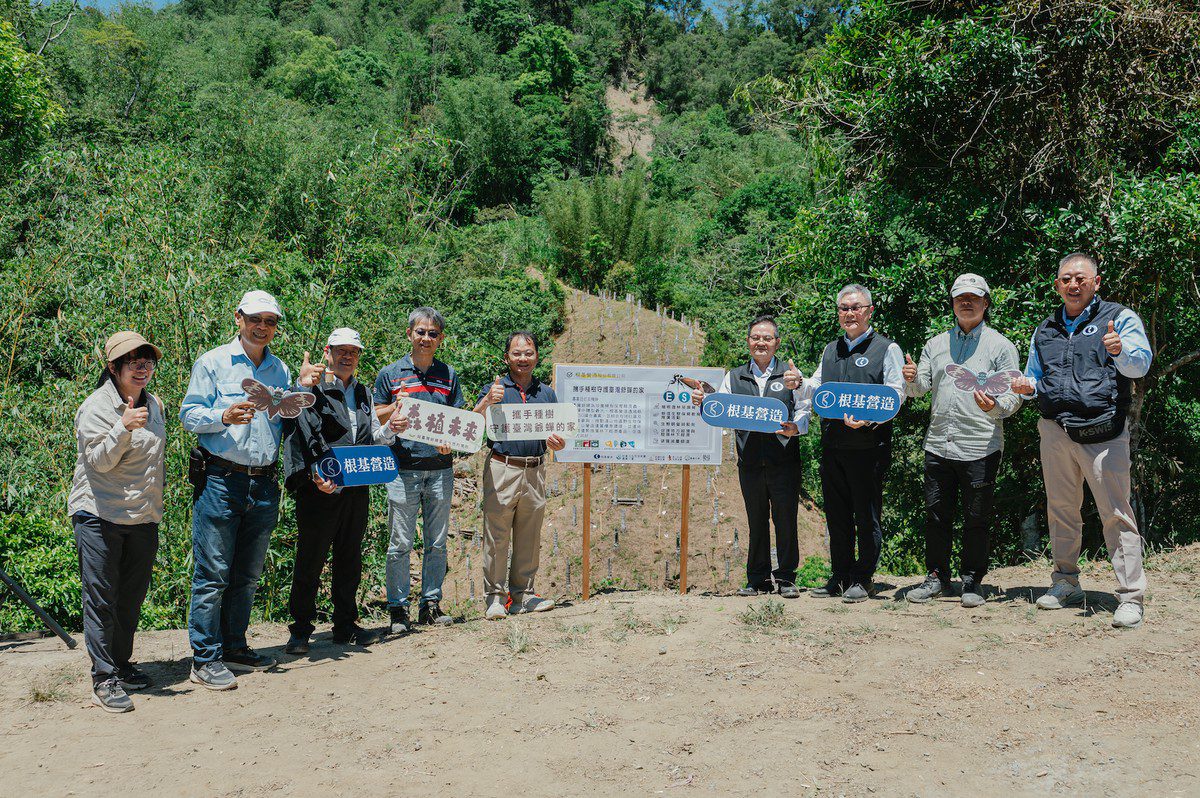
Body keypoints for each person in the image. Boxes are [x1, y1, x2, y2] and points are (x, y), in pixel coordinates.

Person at [181, 290, 323, 690]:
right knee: (213, 573)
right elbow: (189, 414)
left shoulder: (279, 371)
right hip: (221, 479)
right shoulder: (212, 362)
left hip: (264, 481)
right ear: (239, 318)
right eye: (256, 319)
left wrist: (302, 386)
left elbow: (286, 416)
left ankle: (234, 646)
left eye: (271, 321)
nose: (263, 327)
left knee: (246, 574)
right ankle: (204, 658)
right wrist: (221, 415)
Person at [1012, 253, 1152, 629]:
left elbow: (1140, 366)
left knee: (1116, 514)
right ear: (1057, 285)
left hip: (1103, 432)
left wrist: (1120, 350)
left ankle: (1131, 596)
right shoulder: (1045, 328)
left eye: (1081, 278)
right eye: (1066, 279)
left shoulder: (1118, 318)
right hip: (1055, 430)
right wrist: (1026, 388)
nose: (1073, 285)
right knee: (1061, 509)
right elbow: (1034, 378)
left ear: (1096, 282)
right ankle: (1066, 582)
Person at [281, 328, 409, 654]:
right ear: (328, 352)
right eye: (341, 350)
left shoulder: (363, 394)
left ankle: (345, 626)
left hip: (355, 488)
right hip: (319, 489)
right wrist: (312, 476)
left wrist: (389, 430)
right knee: (310, 559)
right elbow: (298, 431)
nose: (347, 356)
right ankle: (300, 631)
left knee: (349, 559)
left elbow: (367, 444)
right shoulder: (313, 388)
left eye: (353, 351)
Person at [902, 274, 1021, 607]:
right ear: (952, 303)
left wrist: (996, 407)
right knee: (936, 515)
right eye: (959, 298)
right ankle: (937, 578)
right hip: (939, 443)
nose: (966, 303)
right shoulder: (935, 344)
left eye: (973, 298)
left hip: (980, 445)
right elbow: (918, 389)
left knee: (976, 517)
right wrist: (909, 379)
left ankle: (971, 581)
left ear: (985, 303)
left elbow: (1014, 394)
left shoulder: (1001, 346)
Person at [68, 332, 165, 713]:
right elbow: (99, 462)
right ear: (113, 367)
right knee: (102, 599)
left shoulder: (154, 404)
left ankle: (121, 666)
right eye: (133, 363)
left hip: (142, 515)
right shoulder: (96, 406)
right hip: (99, 514)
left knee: (130, 598)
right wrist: (122, 428)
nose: (142, 369)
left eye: (147, 363)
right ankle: (103, 677)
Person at [797, 284, 905, 603]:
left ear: (870, 311)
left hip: (869, 447)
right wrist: (798, 383)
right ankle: (840, 576)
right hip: (833, 446)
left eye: (856, 307)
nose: (849, 313)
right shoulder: (831, 350)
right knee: (837, 515)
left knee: (866, 514)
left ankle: (863, 578)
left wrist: (870, 419)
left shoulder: (887, 349)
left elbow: (896, 394)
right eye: (844, 308)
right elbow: (816, 386)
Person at [691, 315, 804, 598]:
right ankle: (758, 579)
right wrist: (703, 402)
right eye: (756, 337)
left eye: (767, 338)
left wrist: (796, 428)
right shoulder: (735, 376)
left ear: (777, 343)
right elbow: (721, 407)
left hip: (784, 460)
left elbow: (805, 409)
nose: (761, 343)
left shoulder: (790, 376)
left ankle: (787, 579)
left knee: (786, 519)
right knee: (756, 520)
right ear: (748, 342)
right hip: (750, 460)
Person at [373, 307, 463, 634]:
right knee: (400, 543)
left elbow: (457, 420)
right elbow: (374, 414)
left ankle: (431, 604)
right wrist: (394, 409)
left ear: (440, 338)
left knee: (437, 541)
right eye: (421, 332)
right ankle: (398, 609)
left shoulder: (449, 375)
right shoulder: (390, 374)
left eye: (433, 333)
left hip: (440, 469)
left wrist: (450, 441)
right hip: (402, 468)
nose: (426, 338)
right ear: (409, 334)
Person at [472, 331, 566, 620]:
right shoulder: (496, 388)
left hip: (535, 469)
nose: (523, 358)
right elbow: (473, 423)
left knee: (529, 535)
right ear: (507, 357)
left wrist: (558, 443)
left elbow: (558, 431)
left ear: (537, 356)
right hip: (502, 466)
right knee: (497, 535)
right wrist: (487, 400)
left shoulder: (547, 393)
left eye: (528, 353)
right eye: (516, 353)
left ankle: (523, 595)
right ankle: (495, 598)